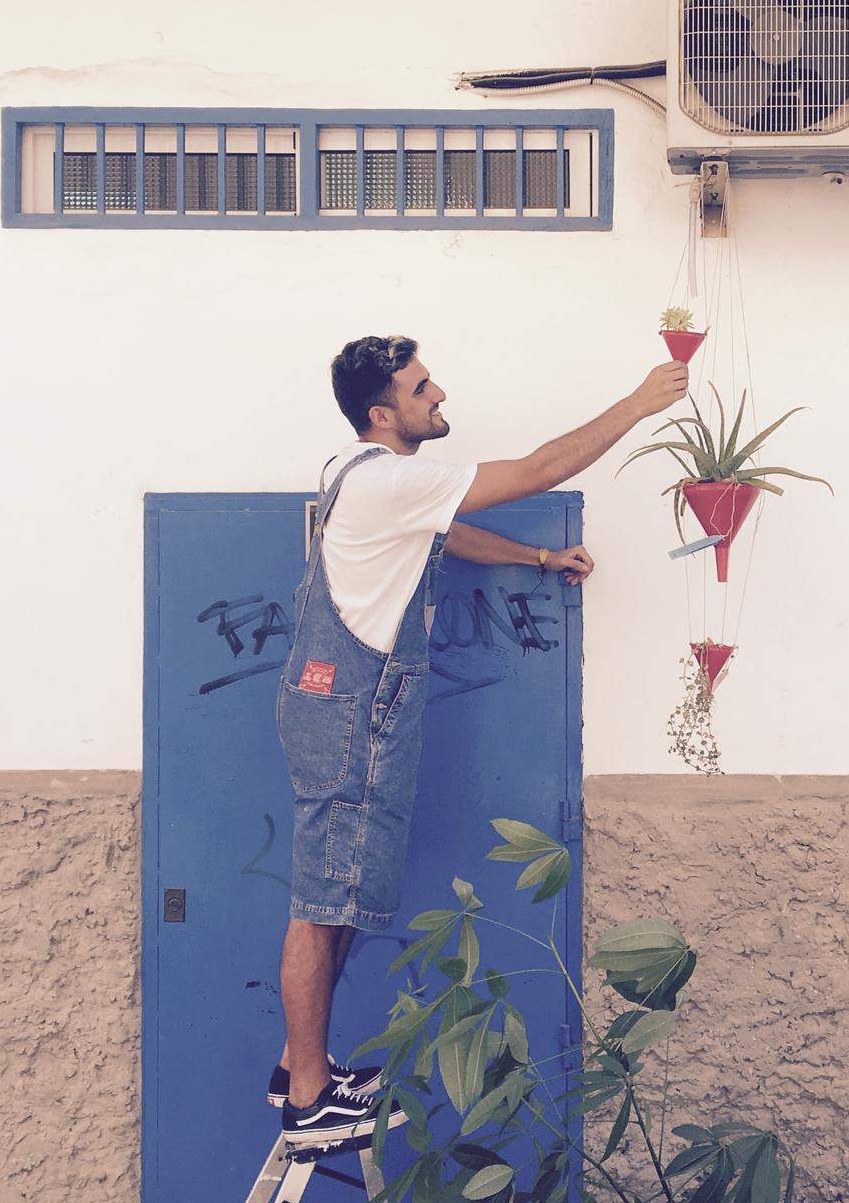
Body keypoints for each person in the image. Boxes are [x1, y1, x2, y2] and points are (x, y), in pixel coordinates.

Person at [271, 334, 688, 1145]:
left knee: (339, 892)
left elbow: (447, 532)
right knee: (322, 903)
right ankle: (308, 1100)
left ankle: (301, 1063)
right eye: (421, 387)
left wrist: (537, 556)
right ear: (381, 413)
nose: (440, 395)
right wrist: (639, 403)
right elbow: (537, 469)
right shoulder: (387, 478)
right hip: (351, 713)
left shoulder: (364, 476)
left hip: (342, 705)